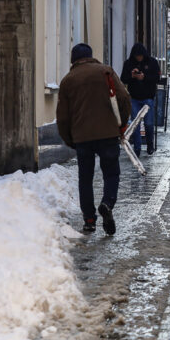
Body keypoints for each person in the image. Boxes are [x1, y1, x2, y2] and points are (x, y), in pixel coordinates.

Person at [57, 43, 131, 235]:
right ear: (91, 56)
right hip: (108, 133)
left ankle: (89, 220)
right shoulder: (106, 72)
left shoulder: (68, 80)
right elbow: (124, 98)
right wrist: (120, 124)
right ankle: (107, 203)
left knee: (85, 178)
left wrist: (69, 138)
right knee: (111, 173)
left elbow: (63, 116)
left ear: (73, 60)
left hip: (82, 137)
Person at [121, 43, 160, 157]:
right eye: (137, 56)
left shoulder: (152, 62)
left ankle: (149, 144)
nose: (139, 58)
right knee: (135, 124)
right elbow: (123, 79)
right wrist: (132, 76)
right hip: (134, 98)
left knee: (148, 123)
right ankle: (137, 148)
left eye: (140, 56)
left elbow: (157, 78)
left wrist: (145, 77)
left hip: (148, 97)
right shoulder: (128, 63)